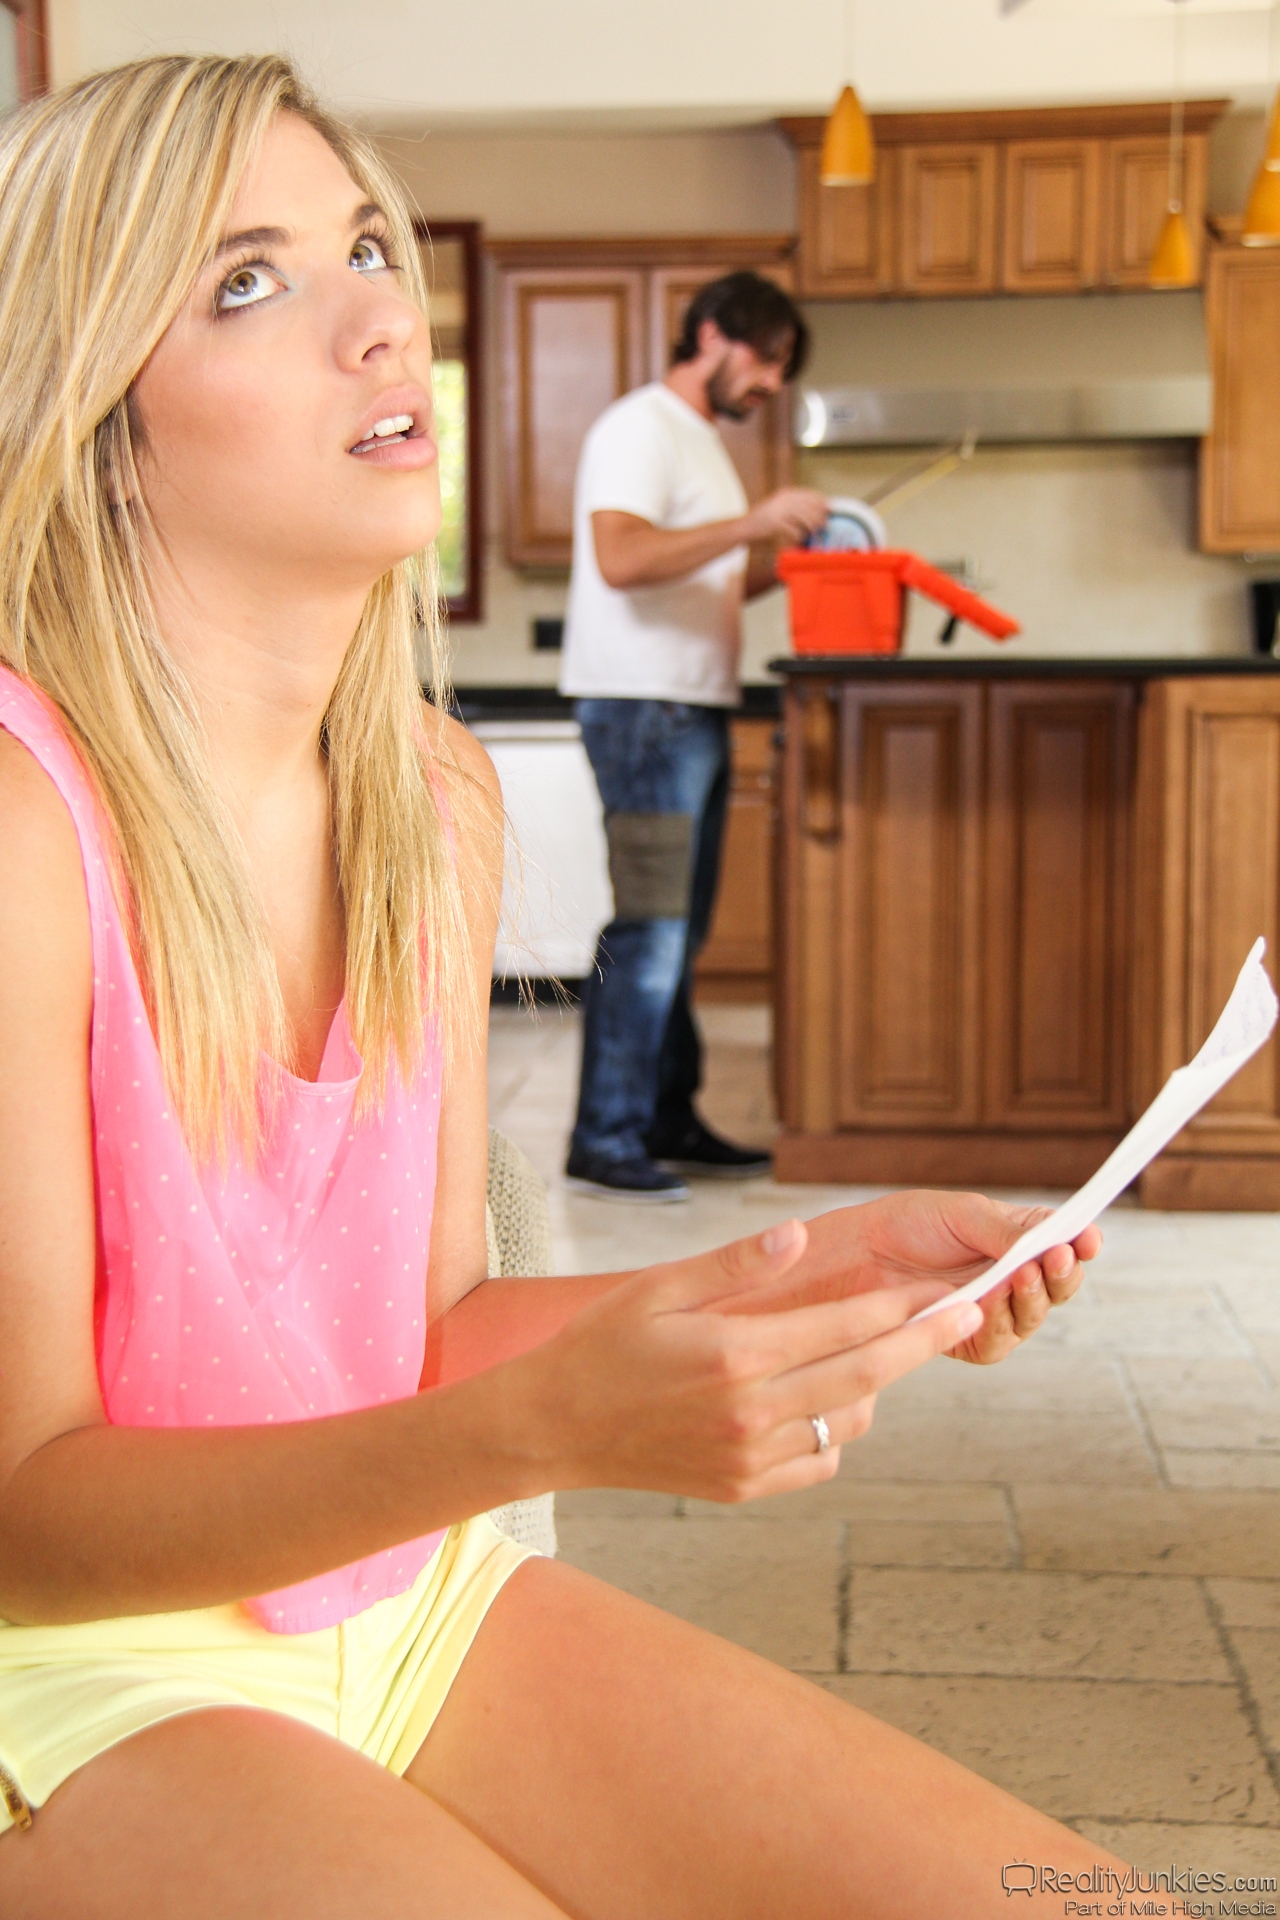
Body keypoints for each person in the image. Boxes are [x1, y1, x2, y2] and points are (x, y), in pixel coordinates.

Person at [0, 55, 1127, 1919]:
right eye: (248, 281)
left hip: (411, 1603)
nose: (382, 316)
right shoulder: (25, 831)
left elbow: (431, 1325)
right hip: (77, 1674)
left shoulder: (431, 801)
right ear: (91, 415)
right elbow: (22, 1518)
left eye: (368, 246)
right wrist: (543, 1435)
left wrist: (794, 1285)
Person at [560, 272, 831, 1200]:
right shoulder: (639, 428)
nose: (771, 383)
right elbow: (623, 557)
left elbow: (701, 574)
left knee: (680, 933)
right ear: (712, 333)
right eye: (767, 359)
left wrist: (779, 563)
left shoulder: (701, 442)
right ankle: (605, 1137)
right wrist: (752, 521)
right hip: (645, 712)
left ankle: (666, 1120)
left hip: (689, 708)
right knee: (653, 928)